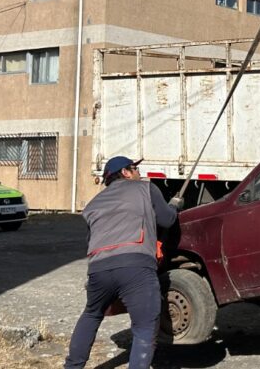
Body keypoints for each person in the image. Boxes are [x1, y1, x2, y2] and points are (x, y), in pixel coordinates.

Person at [64, 156, 182, 369]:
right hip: (136, 267)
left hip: (98, 269)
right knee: (145, 326)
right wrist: (174, 205)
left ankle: (72, 367)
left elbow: (90, 241)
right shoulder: (145, 189)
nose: (139, 172)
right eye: (135, 168)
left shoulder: (92, 205)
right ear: (126, 172)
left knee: (92, 313)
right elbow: (167, 220)